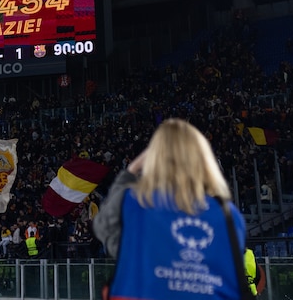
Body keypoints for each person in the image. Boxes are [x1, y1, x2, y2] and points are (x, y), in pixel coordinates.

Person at [93, 118, 247, 300]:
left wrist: (132, 169)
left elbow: (104, 228)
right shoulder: (229, 215)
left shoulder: (137, 203)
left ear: (154, 159)